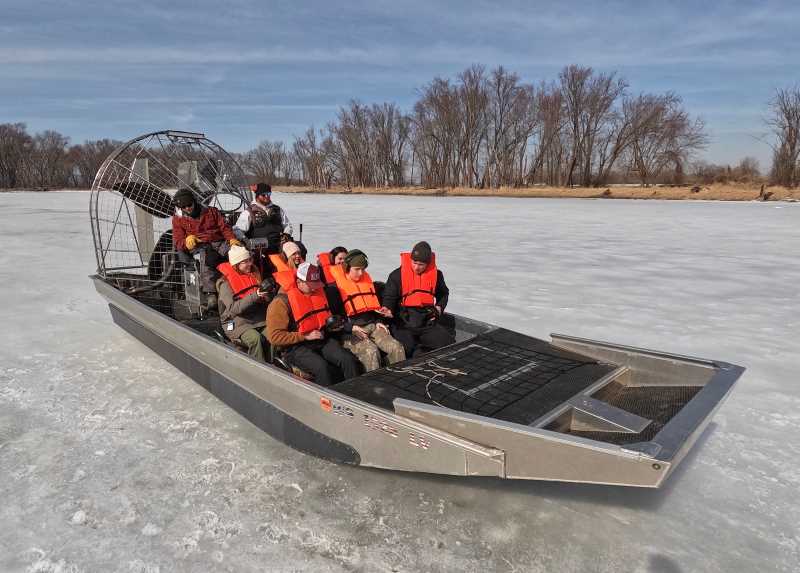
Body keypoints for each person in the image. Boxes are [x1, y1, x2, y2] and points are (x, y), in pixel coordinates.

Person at [266, 262, 360, 386]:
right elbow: (275, 337)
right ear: (299, 282)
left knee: (347, 359)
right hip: (296, 347)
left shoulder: (318, 293)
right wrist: (305, 336)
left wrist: (332, 327)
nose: (315, 288)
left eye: (316, 284)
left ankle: (354, 391)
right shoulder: (280, 303)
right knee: (322, 368)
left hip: (321, 339)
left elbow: (323, 318)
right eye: (311, 285)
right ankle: (325, 400)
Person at [328, 249, 405, 372]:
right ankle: (374, 387)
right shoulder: (334, 289)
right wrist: (350, 327)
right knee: (371, 351)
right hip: (350, 332)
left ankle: (399, 378)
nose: (360, 273)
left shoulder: (367, 282)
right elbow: (332, 319)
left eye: (363, 269)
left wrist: (379, 320)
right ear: (347, 267)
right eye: (357, 269)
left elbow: (373, 307)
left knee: (397, 347)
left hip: (372, 325)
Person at [382, 241, 454, 356]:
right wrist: (387, 309)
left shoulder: (437, 275)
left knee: (448, 343)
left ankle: (424, 354)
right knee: (407, 348)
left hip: (426, 322)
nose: (416, 267)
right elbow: (389, 297)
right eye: (414, 263)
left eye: (421, 265)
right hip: (403, 323)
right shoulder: (396, 275)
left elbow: (443, 293)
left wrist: (439, 307)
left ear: (428, 263)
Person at [172, 187, 242, 307]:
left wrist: (232, 239)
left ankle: (241, 282)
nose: (187, 208)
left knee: (237, 253)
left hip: (218, 241)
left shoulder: (211, 211)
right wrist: (187, 241)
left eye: (189, 205)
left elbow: (224, 227)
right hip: (198, 245)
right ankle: (210, 293)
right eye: (184, 207)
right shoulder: (178, 219)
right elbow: (178, 241)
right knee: (206, 258)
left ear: (194, 202)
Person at [216, 245, 276, 362]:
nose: (250, 264)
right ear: (236, 264)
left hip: (257, 319)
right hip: (234, 322)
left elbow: (263, 299)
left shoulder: (254, 275)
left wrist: (267, 294)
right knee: (255, 339)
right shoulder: (225, 284)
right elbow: (233, 309)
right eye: (245, 262)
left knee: (273, 335)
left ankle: (271, 364)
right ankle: (257, 369)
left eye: (250, 260)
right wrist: (255, 296)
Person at [234, 182, 293, 252]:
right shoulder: (249, 212)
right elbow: (237, 230)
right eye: (264, 194)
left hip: (279, 245)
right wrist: (246, 241)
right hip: (258, 248)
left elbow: (287, 225)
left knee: (299, 248)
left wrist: (286, 234)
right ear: (257, 195)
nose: (267, 196)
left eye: (269, 194)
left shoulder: (277, 209)